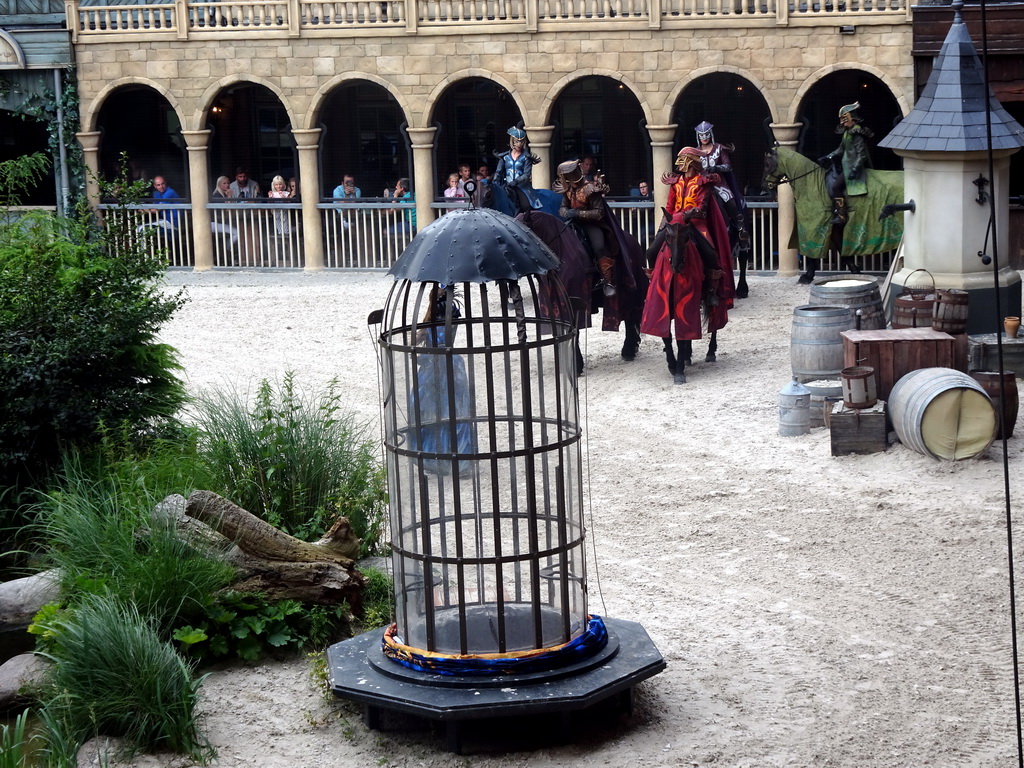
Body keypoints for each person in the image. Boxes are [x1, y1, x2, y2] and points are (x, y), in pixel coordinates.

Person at [554, 157, 620, 297]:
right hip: (573, 222)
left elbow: (599, 213)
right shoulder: (568, 189)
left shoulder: (591, 189)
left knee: (599, 246)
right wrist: (566, 212)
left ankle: (607, 281)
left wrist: (577, 212)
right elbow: (563, 207)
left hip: (591, 224)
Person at [694, 120, 750, 252]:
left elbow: (728, 166)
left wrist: (716, 168)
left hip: (719, 183)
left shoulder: (719, 148)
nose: (704, 138)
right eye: (701, 135)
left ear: (710, 134)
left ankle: (740, 227)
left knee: (728, 199)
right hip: (702, 184)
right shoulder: (695, 152)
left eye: (706, 135)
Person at [818, 101, 874, 225]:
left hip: (852, 168)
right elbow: (840, 149)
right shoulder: (847, 132)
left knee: (835, 187)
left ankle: (842, 215)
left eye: (844, 119)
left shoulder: (857, 132)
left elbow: (862, 155)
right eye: (841, 119)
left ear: (852, 118)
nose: (842, 122)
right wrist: (828, 157)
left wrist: (855, 169)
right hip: (845, 166)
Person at [492, 124, 543, 215]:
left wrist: (515, 182)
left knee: (526, 206)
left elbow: (526, 175)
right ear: (512, 141)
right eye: (516, 141)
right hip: (506, 185)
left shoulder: (526, 157)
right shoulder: (505, 157)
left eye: (521, 142)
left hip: (521, 187)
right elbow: (499, 172)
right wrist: (495, 183)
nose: (519, 144)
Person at [209, 175, 239, 247]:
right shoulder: (217, 195)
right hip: (214, 223)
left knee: (238, 228)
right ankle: (227, 249)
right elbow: (227, 210)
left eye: (228, 183)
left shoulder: (223, 195)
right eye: (224, 183)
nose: (227, 185)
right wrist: (229, 197)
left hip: (220, 222)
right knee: (237, 233)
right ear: (219, 184)